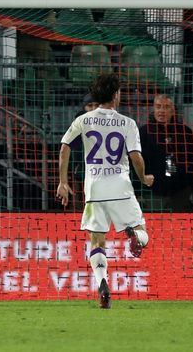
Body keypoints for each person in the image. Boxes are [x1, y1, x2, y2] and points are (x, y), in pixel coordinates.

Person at [57, 73, 154, 309]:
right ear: (115, 94)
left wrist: (62, 181)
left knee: (97, 241)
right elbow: (135, 156)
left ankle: (102, 284)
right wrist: (143, 177)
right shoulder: (128, 123)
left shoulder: (84, 120)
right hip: (120, 187)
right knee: (144, 234)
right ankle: (132, 234)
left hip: (94, 189)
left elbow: (64, 147)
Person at [139, 94, 193, 211]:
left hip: (180, 192)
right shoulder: (143, 133)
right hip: (153, 192)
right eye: (158, 106)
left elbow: (192, 160)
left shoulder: (185, 132)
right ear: (153, 109)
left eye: (166, 107)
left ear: (172, 110)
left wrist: (190, 188)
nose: (161, 111)